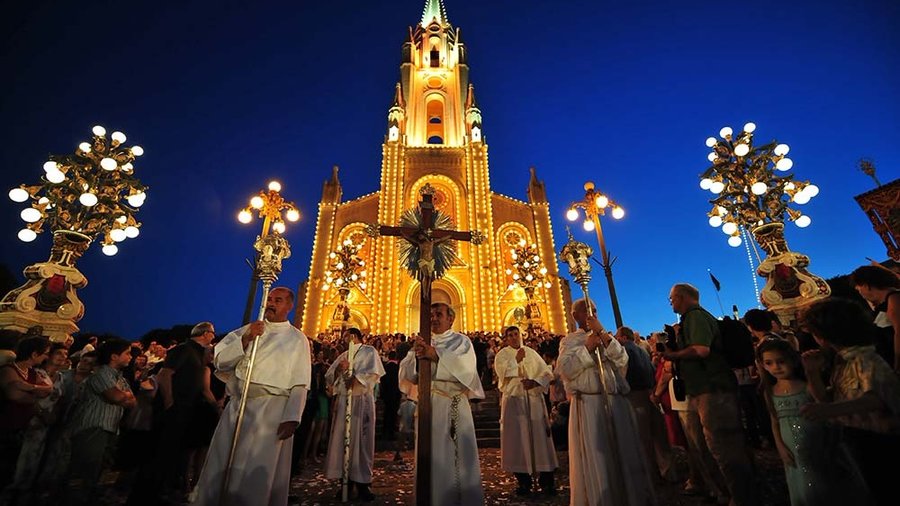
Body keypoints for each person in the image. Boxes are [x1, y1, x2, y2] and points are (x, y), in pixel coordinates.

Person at [192, 287, 311, 506]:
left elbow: (300, 381)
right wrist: (246, 339)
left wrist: (293, 415)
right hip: (239, 405)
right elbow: (220, 360)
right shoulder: (247, 330)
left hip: (272, 410)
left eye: (279, 300)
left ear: (289, 306)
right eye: (270, 299)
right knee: (224, 460)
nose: (272, 304)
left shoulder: (297, 339)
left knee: (257, 465)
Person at [664, 283, 759, 506]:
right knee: (715, 446)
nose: (670, 303)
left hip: (713, 390)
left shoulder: (695, 317)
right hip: (705, 389)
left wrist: (673, 355)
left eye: (672, 299)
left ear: (682, 297)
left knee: (724, 447)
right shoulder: (689, 319)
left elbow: (701, 349)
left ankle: (742, 497)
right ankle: (731, 493)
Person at [799, 297, 900, 505]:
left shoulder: (865, 358)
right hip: (853, 438)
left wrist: (830, 411)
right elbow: (826, 399)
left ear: (825, 335)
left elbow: (876, 399)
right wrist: (812, 373)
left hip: (879, 441)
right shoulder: (839, 362)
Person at [556, 299, 656, 506]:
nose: (591, 314)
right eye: (585, 311)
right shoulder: (570, 341)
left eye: (594, 310)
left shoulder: (608, 337)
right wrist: (587, 348)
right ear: (575, 316)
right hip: (590, 404)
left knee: (624, 455)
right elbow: (566, 370)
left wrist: (603, 337)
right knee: (598, 459)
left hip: (615, 401)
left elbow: (622, 360)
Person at [756, 337, 871, 505]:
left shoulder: (806, 386)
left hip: (818, 444)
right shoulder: (770, 392)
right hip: (792, 449)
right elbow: (775, 421)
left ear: (793, 360)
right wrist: (780, 446)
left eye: (780, 361)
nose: (776, 367)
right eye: (769, 363)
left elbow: (824, 406)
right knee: (803, 484)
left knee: (823, 484)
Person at [398, 302, 484, 505]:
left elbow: (467, 370)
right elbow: (407, 375)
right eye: (431, 315)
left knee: (456, 457)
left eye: (439, 314)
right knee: (430, 456)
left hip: (453, 405)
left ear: (451, 318)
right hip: (428, 406)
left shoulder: (460, 341)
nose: (434, 318)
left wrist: (435, 355)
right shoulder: (422, 342)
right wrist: (417, 356)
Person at [65, 338, 136, 506]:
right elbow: (117, 396)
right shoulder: (101, 373)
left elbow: (133, 402)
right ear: (114, 356)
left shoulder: (119, 377)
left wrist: (122, 396)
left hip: (109, 427)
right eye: (127, 353)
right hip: (94, 426)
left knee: (97, 471)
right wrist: (122, 395)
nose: (130, 357)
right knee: (85, 471)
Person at [494, 325, 558, 496]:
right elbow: (501, 373)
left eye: (516, 334)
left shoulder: (531, 352)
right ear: (506, 338)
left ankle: (547, 481)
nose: (514, 338)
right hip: (515, 400)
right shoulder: (502, 354)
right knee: (517, 441)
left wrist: (535, 382)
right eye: (510, 335)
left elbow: (546, 372)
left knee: (540, 440)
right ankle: (523, 481)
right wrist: (516, 361)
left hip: (533, 400)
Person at [323, 327, 385, 501]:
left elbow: (372, 373)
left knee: (362, 443)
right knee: (343, 440)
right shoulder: (342, 356)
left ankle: (363, 483)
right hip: (345, 402)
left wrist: (354, 377)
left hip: (361, 400)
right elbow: (330, 378)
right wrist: (340, 371)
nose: (344, 340)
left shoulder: (369, 351)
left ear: (355, 336)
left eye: (346, 336)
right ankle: (345, 482)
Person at [616, 326, 677, 483]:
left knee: (644, 438)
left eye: (617, 337)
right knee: (659, 435)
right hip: (650, 392)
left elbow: (622, 375)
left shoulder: (625, 352)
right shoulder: (642, 350)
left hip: (635, 395)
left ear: (623, 338)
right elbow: (651, 368)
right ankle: (668, 470)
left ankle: (651, 474)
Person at [850, 264, 900, 372]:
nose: (861, 295)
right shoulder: (884, 304)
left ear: (867, 285)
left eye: (859, 290)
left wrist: (897, 367)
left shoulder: (894, 298)